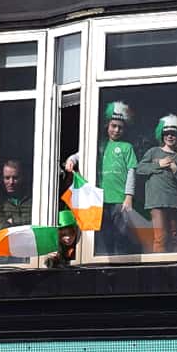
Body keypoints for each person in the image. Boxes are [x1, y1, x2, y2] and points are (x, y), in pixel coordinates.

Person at [65, 102, 140, 255]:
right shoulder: (99, 145)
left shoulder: (127, 147)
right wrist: (71, 159)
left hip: (120, 200)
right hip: (99, 199)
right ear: (107, 126)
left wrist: (129, 196)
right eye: (114, 126)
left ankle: (120, 265)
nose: (117, 130)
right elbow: (80, 154)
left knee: (121, 235)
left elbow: (132, 171)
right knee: (104, 236)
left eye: (120, 127)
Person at [135, 115, 177, 253]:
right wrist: (159, 164)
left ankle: (175, 269)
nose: (170, 137)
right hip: (156, 201)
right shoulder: (153, 151)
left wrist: (175, 168)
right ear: (162, 136)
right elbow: (140, 169)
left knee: (174, 237)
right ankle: (158, 269)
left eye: (173, 134)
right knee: (160, 237)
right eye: (167, 134)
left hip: (174, 202)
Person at [0, 160, 31, 234]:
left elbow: (37, 221)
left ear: (22, 178)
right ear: (2, 179)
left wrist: (14, 220)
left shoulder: (33, 199)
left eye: (15, 178)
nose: (11, 182)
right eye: (7, 178)